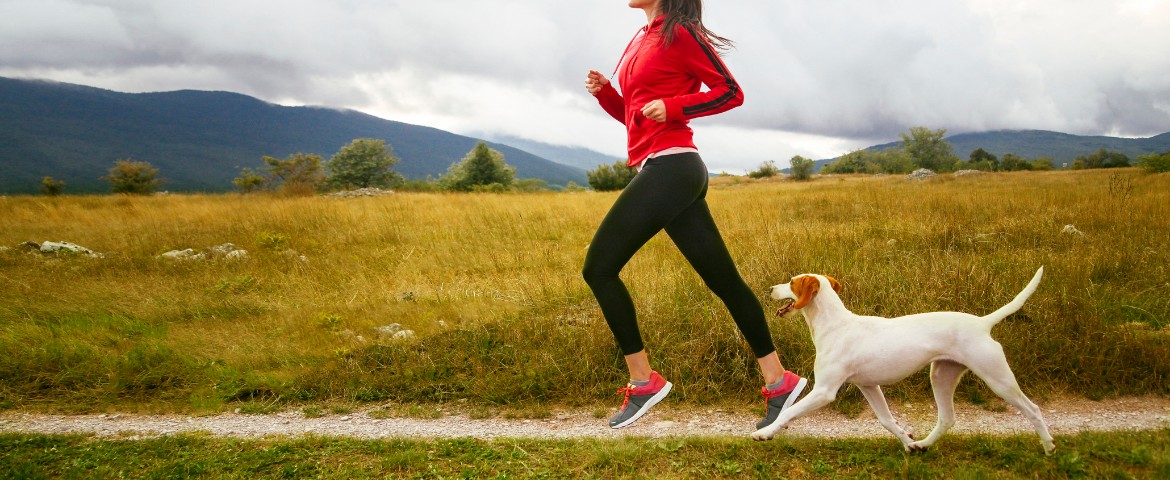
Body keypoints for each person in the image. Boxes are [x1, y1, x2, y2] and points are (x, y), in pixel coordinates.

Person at [582, 0, 808, 431]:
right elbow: (634, 118)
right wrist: (607, 95)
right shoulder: (639, 39)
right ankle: (780, 382)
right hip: (659, 166)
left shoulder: (679, 32)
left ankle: (643, 381)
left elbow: (729, 91)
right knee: (724, 281)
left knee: (599, 268)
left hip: (674, 166)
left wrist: (675, 107)